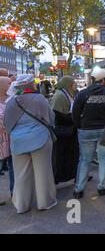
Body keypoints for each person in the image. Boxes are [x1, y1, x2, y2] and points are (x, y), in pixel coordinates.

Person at [4, 74, 57, 214]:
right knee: (43, 172)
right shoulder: (40, 99)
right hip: (40, 139)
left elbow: (7, 124)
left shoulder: (11, 102)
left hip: (18, 141)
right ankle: (45, 202)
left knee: (21, 174)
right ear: (30, 85)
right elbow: (51, 118)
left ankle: (21, 205)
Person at [72, 68, 105, 198]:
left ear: (92, 79)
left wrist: (80, 126)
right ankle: (101, 187)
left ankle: (79, 189)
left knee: (85, 160)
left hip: (86, 130)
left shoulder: (82, 94)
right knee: (104, 159)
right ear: (104, 80)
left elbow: (75, 113)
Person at [50, 76, 79, 184]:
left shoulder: (65, 93)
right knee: (62, 155)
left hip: (68, 130)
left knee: (68, 154)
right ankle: (61, 176)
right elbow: (58, 114)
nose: (75, 85)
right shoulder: (60, 96)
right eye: (73, 83)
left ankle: (69, 174)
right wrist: (73, 118)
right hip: (64, 130)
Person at [0, 77, 13, 200]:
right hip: (1, 139)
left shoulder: (11, 99)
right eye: (9, 83)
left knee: (12, 166)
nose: (11, 85)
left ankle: (14, 192)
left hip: (11, 139)